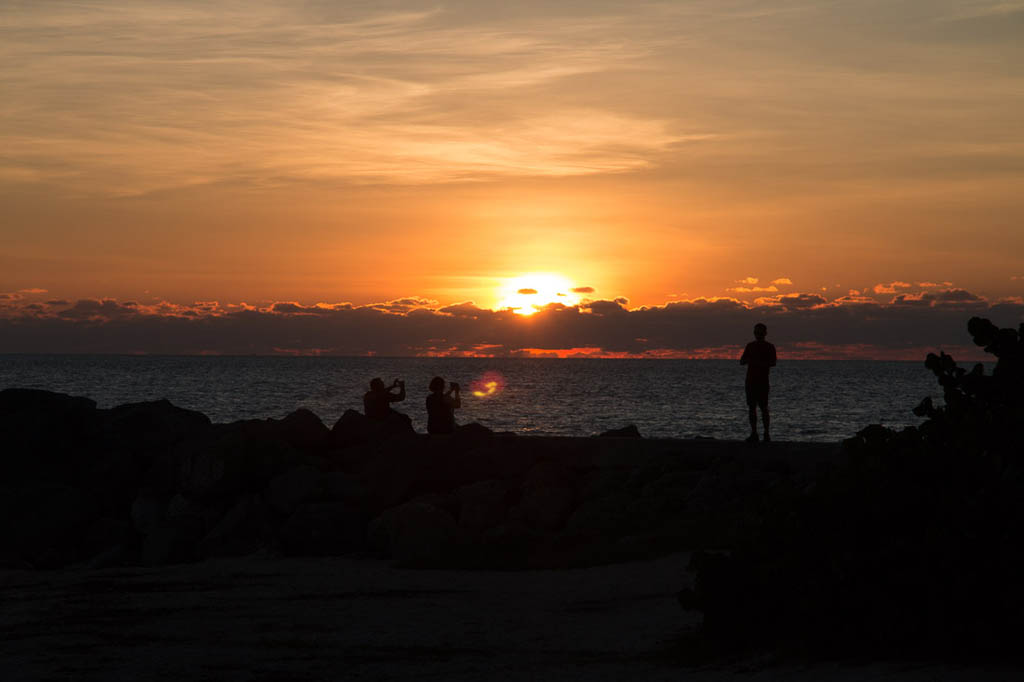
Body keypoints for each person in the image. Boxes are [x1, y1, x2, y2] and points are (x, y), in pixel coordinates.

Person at [740, 323, 777, 444]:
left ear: (765, 333)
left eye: (760, 332)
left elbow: (773, 363)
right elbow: (742, 361)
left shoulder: (769, 347)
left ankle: (766, 434)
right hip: (751, 381)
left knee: (763, 408)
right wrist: (751, 361)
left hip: (762, 382)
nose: (758, 335)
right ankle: (754, 433)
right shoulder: (750, 346)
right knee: (752, 408)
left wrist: (759, 363)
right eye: (756, 332)